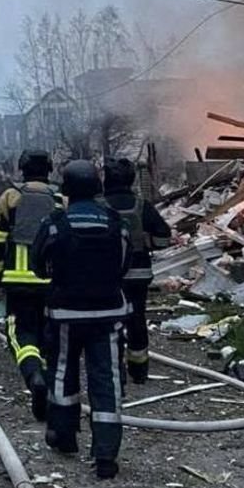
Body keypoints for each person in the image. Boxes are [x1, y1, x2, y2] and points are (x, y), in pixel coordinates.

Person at [31, 160, 131, 479]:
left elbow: (37, 264)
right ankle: (106, 454)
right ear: (97, 188)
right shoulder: (115, 222)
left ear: (66, 190)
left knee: (63, 372)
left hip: (66, 313)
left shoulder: (54, 224)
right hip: (108, 315)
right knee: (107, 379)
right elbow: (124, 264)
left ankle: (64, 436)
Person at [0, 149, 64, 421]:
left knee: (21, 333)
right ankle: (49, 385)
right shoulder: (60, 200)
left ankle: (33, 376)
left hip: (17, 282)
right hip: (52, 282)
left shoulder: (10, 197)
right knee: (49, 334)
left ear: (22, 169)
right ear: (49, 169)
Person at [102, 158, 172, 385]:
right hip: (138, 274)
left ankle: (116, 368)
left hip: (109, 276)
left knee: (110, 321)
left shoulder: (100, 207)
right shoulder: (142, 206)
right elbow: (164, 238)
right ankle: (139, 370)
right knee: (137, 320)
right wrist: (143, 242)